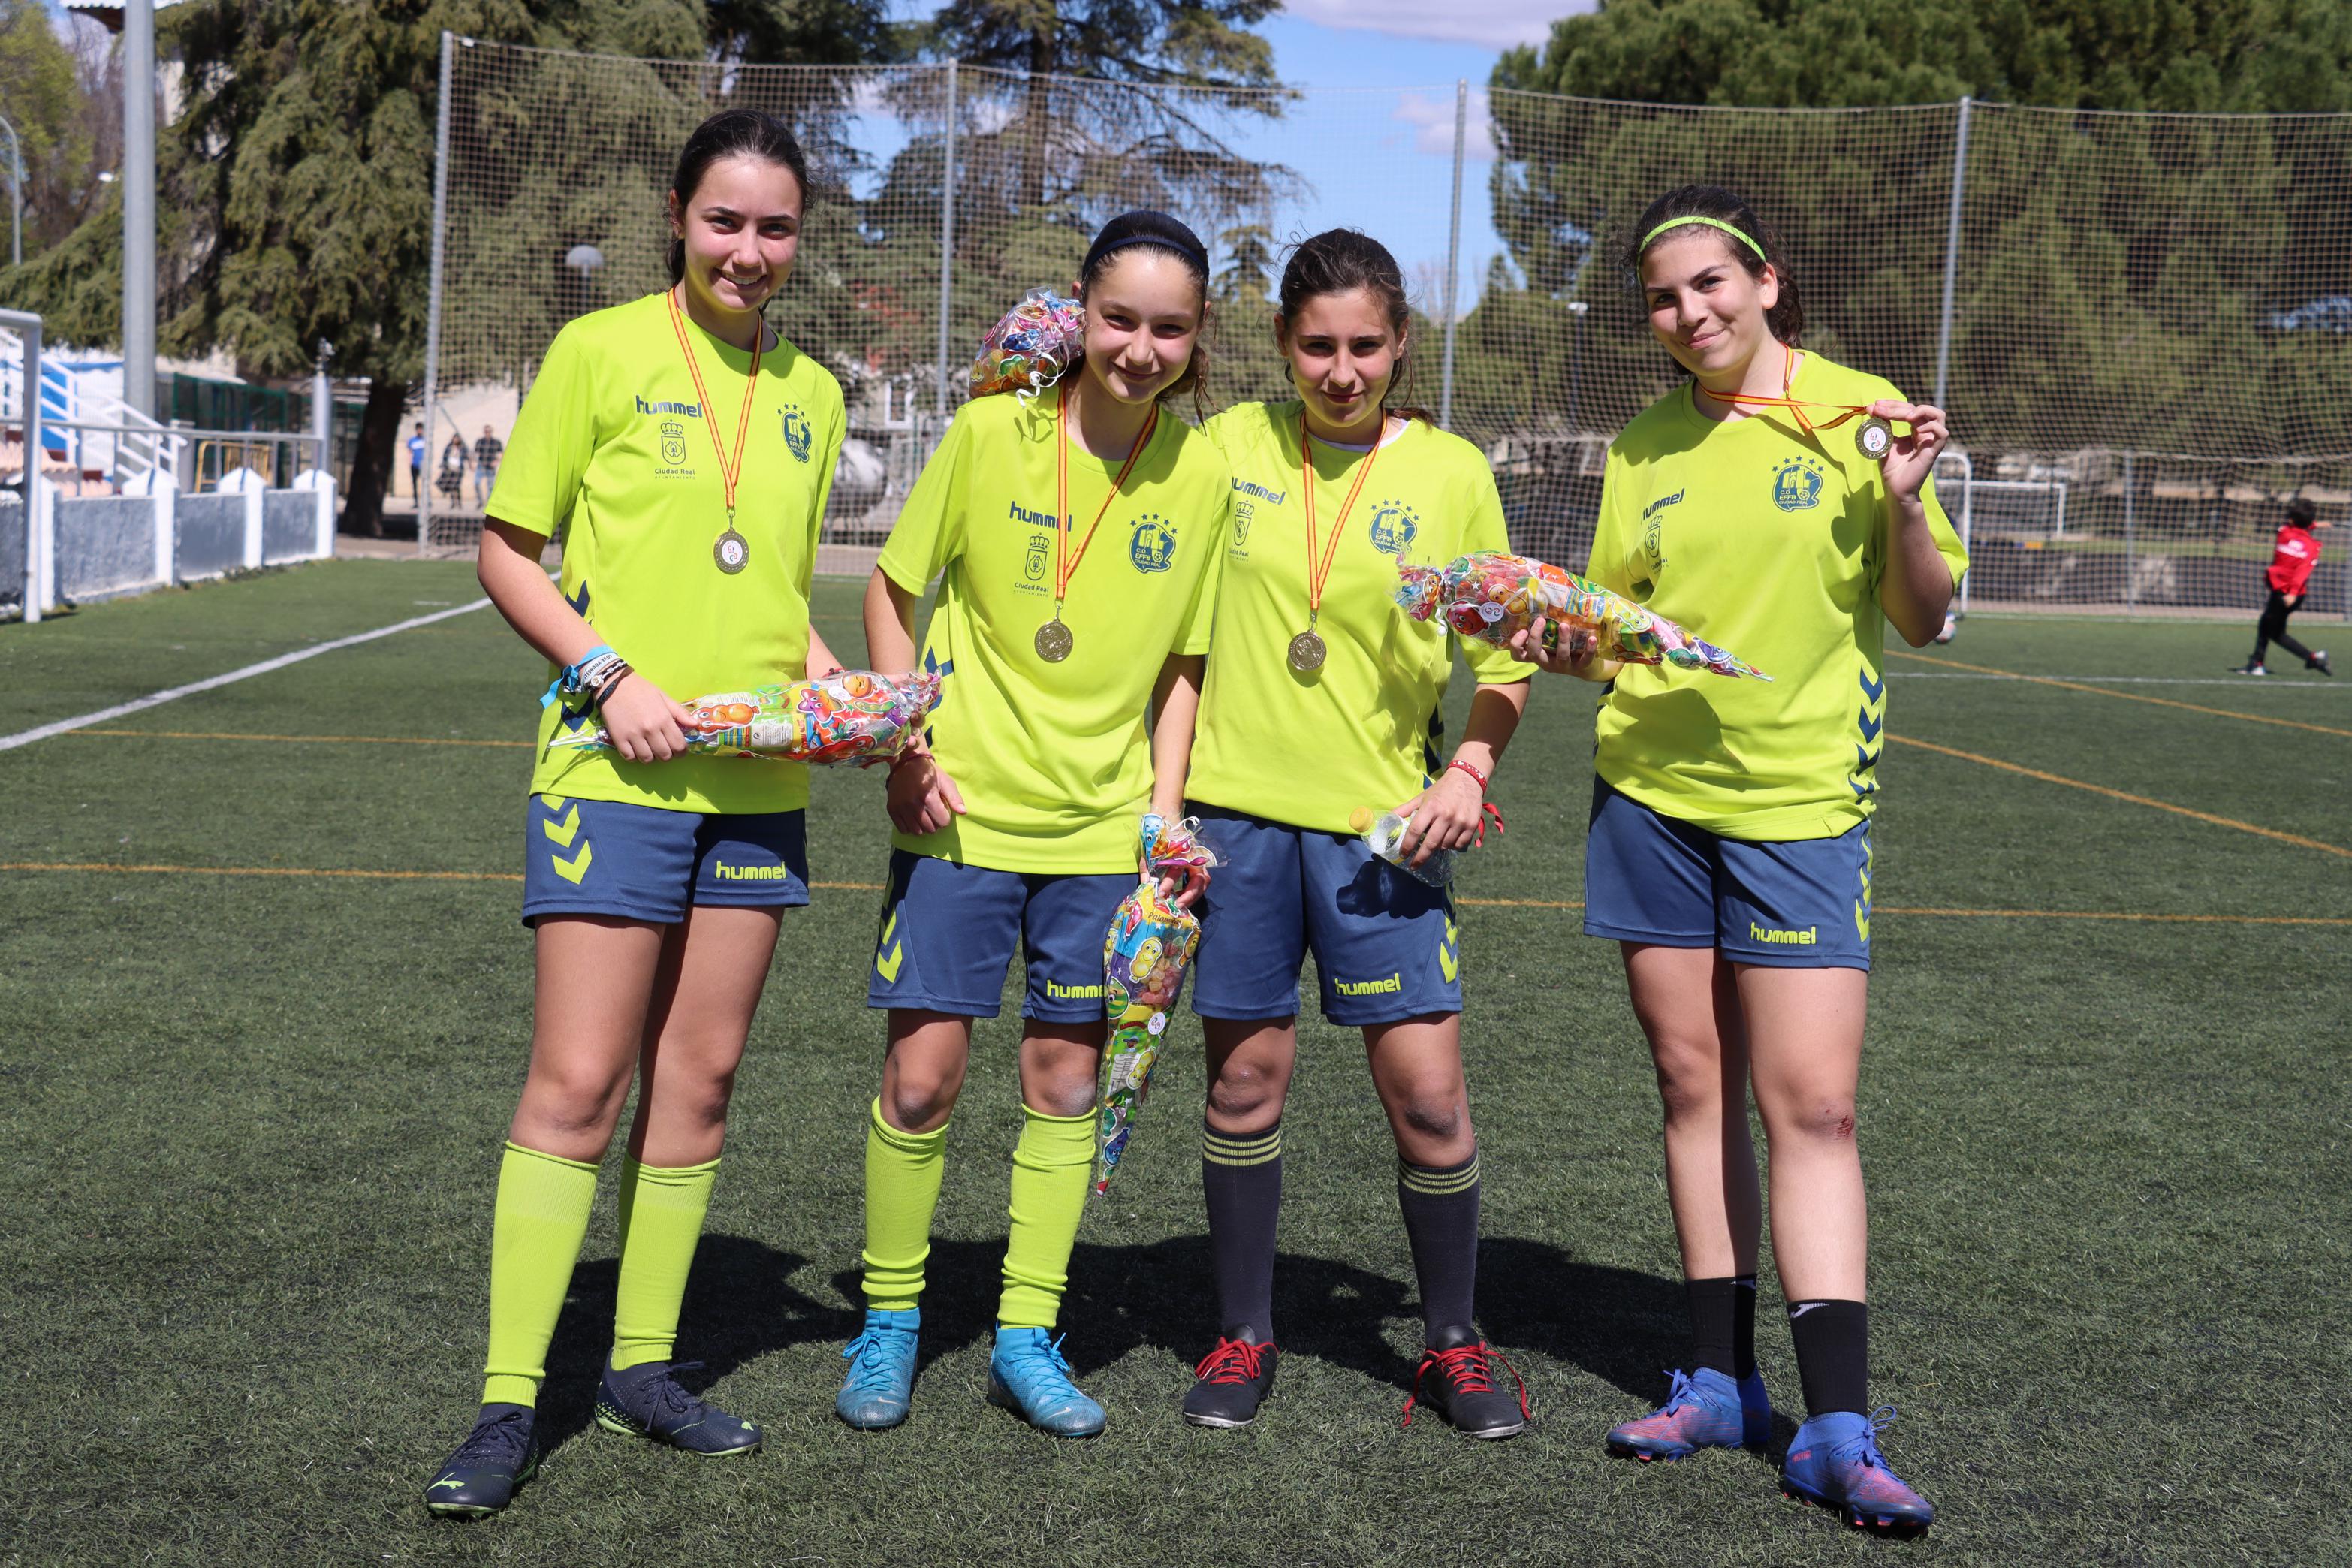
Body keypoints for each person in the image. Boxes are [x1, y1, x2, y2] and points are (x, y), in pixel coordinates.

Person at [1515, 187, 1965, 1533]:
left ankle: (1836, 1428)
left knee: (1813, 1107)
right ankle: (1717, 1382)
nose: (1689, 312)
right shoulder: (1642, 445)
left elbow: (1925, 616)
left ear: (1766, 281)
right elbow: (1616, 631)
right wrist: (1550, 635)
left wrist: (1904, 507)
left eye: (1710, 282)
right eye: (1662, 297)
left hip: (1799, 804)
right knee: (1691, 1085)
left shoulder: (1861, 412)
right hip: (1649, 797)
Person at [421, 108, 846, 1518]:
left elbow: (774, 594)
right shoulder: (598, 351)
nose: (748, 249)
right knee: (580, 1081)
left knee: (700, 1081)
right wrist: (607, 678)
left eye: (774, 226)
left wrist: (838, 690)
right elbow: (507, 553)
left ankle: (642, 1368)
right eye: (724, 220)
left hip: (756, 786)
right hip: (613, 772)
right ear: (677, 217)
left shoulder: (814, 391)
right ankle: (507, 1403)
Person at [831, 211, 1226, 1440]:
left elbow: (1186, 664)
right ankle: (889, 1321)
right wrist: (908, 745)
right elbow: (893, 590)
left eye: (1169, 328)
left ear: (1197, 337)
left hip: (1100, 833)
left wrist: (1162, 814)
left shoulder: (1202, 473)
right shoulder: (987, 433)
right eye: (1120, 319)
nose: (1141, 348)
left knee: (1064, 1082)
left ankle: (1023, 1333)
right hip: (960, 815)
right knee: (920, 1079)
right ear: (1081, 312)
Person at [1176, 229, 1535, 1439]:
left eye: (1365, 346)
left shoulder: (1451, 472)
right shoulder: (1228, 445)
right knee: (1244, 1086)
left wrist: (1470, 770)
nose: (1342, 372)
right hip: (1233, 820)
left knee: (1430, 1100)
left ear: (1399, 345)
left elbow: (1506, 660)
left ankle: (1452, 1342)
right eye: (1319, 346)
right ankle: (1243, 1335)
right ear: (1283, 342)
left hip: (1386, 835)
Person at [2235, 497, 2332, 676]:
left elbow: (2302, 572)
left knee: (2273, 631)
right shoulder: (2311, 546)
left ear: (2291, 521)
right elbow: (2304, 569)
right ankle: (2259, 663)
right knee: (2269, 627)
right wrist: (2314, 525)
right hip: (2291, 593)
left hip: (2287, 594)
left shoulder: (2283, 532)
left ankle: (2311, 658)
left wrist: (2292, 593)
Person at [473, 424, 506, 507]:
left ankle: (488, 504)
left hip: (490, 468)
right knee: (476, 483)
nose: (487, 433)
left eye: (489, 431)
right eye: (486, 431)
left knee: (490, 487)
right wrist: (473, 463)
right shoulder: (480, 441)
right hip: (481, 466)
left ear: (491, 432)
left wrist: (496, 461)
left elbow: (502, 454)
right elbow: (475, 454)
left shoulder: (496, 442)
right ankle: (480, 502)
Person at [438, 432, 466, 503]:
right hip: (450, 469)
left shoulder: (462, 447)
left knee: (456, 486)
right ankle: (453, 502)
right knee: (451, 486)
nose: (456, 440)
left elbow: (466, 456)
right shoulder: (449, 447)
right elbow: (444, 456)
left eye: (457, 438)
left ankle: (458, 502)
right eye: (455, 438)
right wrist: (444, 465)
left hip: (458, 470)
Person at [407, 422, 427, 499]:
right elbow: (409, 452)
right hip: (414, 464)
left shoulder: (425, 440)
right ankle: (416, 501)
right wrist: (410, 462)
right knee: (414, 483)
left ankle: (425, 500)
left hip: (423, 465)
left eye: (421, 429)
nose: (420, 430)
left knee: (425, 483)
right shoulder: (412, 440)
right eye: (418, 429)